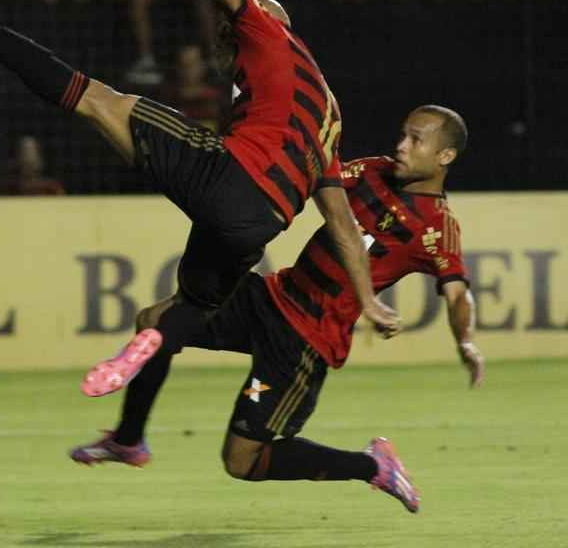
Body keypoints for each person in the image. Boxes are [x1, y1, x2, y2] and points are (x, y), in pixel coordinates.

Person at [0, 0, 399, 397]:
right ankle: (132, 417)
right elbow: (341, 222)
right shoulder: (327, 114)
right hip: (260, 226)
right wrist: (367, 299)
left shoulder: (266, 31)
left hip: (230, 178)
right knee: (184, 309)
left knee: (96, 99)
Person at [70, 106, 480, 516]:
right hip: (272, 296)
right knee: (154, 322)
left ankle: (372, 466)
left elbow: (458, 294)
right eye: (403, 134)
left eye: (416, 140)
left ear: (444, 156)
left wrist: (465, 342)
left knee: (241, 461)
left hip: (305, 341)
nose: (402, 145)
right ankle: (128, 440)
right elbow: (318, 182)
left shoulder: (436, 227)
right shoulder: (374, 170)